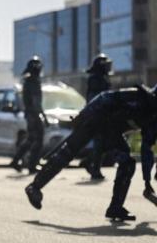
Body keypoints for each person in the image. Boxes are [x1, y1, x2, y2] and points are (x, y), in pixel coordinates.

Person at [25, 85, 157, 221]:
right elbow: (104, 97)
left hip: (111, 130)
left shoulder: (153, 118)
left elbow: (147, 148)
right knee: (68, 151)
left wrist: (147, 181)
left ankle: (115, 208)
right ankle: (34, 187)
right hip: (94, 118)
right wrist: (83, 115)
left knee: (127, 163)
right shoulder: (137, 96)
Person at [9, 56, 46, 174]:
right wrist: (42, 116)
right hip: (33, 114)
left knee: (30, 139)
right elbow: (36, 102)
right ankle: (32, 164)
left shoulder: (28, 80)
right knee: (38, 139)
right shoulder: (33, 81)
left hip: (30, 114)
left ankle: (17, 160)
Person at [83, 54, 113, 180]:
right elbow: (94, 98)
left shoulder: (102, 78)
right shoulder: (95, 79)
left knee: (105, 142)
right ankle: (94, 169)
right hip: (97, 114)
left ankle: (89, 163)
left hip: (103, 114)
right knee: (100, 142)